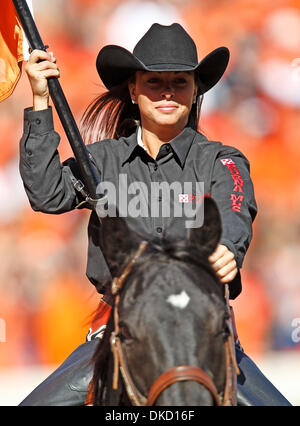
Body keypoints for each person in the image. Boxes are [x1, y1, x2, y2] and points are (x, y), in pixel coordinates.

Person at [19, 23, 291, 406]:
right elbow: (47, 195)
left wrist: (228, 248)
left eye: (179, 81)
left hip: (204, 334)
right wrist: (40, 100)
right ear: (133, 89)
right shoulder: (100, 160)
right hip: (121, 331)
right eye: (153, 82)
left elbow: (235, 208)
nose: (167, 91)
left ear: (196, 90)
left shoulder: (222, 161)